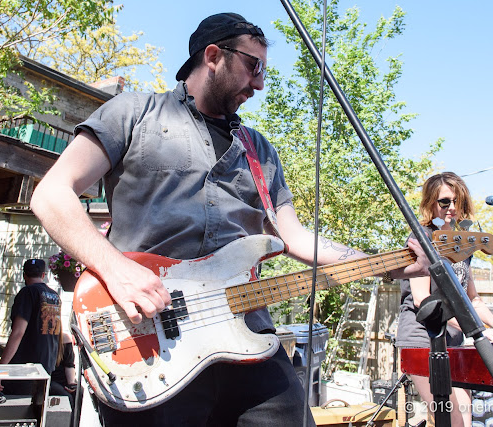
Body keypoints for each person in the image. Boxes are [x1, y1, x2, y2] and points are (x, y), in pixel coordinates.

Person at [29, 12, 429, 427]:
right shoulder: (133, 112)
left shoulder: (258, 150)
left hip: (248, 338)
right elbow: (53, 194)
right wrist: (117, 270)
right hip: (150, 336)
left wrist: (384, 263)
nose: (259, 83)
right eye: (253, 66)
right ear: (214, 55)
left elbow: (292, 235)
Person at [395, 172, 493, 427]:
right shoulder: (421, 239)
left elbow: (472, 300)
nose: (452, 208)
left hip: (452, 340)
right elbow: (423, 301)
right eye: (445, 202)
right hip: (423, 339)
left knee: (465, 417)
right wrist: (475, 331)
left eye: (458, 201)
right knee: (453, 420)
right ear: (431, 203)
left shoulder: (460, 242)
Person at [0, 259, 62, 395]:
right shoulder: (55, 296)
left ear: (24, 275)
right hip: (46, 364)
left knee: (14, 407)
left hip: (25, 366)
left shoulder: (27, 293)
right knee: (37, 409)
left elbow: (18, 332)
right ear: (43, 275)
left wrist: (0, 369)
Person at [50, 331, 77, 410]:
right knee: (66, 397)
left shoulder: (64, 338)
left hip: (62, 379)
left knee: (79, 392)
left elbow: (69, 365)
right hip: (50, 380)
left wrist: (71, 383)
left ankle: (75, 421)